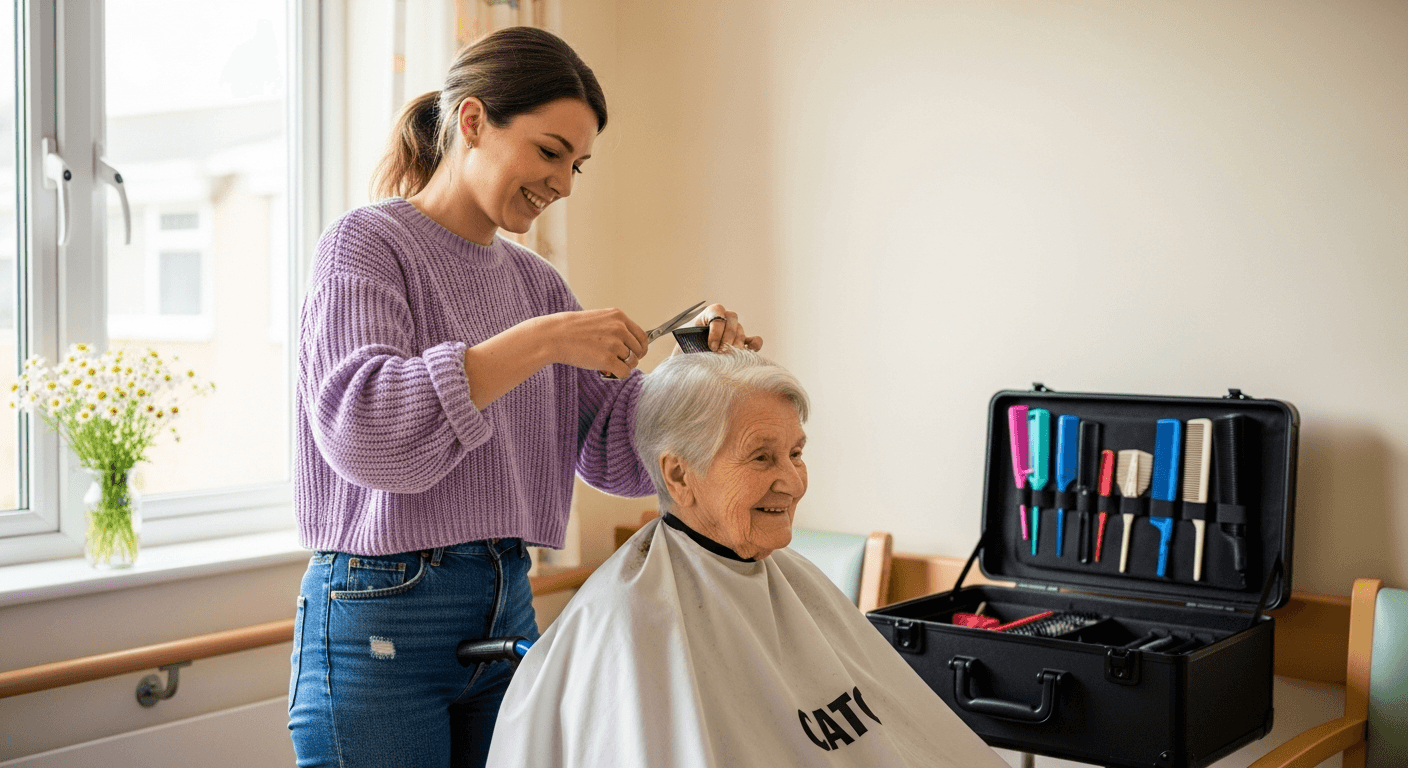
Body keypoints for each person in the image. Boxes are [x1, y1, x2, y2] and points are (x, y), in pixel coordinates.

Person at [286, 26, 760, 768]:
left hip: (506, 597)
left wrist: (697, 368)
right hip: (379, 608)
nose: (564, 184)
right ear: (472, 122)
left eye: (578, 164)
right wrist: (540, 342)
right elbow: (365, 432)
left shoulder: (536, 282)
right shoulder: (366, 244)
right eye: (549, 151)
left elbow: (616, 452)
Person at [485, 350, 1008, 767]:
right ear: (678, 476)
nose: (793, 480)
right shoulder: (630, 618)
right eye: (762, 457)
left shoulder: (795, 579)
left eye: (796, 453)